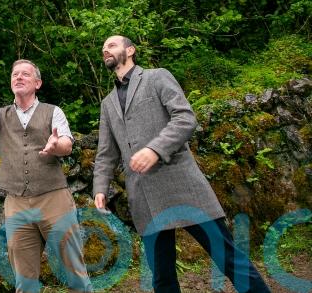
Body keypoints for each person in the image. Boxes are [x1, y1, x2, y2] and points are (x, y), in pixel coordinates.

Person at [92, 35, 270, 293]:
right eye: (103, 48)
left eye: (111, 45)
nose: (105, 50)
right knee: (162, 279)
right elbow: (106, 152)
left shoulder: (156, 77)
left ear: (130, 50)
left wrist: (155, 148)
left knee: (229, 260)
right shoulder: (107, 103)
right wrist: (100, 187)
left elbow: (185, 118)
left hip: (182, 186)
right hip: (144, 197)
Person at [0, 60, 92, 293]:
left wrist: (56, 146)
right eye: (15, 74)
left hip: (54, 199)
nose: (18, 77)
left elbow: (66, 144)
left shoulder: (53, 112)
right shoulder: (0, 115)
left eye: (25, 74)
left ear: (38, 83)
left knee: (74, 271)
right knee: (24, 280)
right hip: (17, 204)